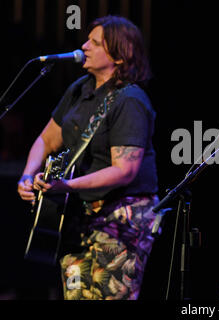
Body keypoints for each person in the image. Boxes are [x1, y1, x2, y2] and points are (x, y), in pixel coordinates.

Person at [17, 15, 159, 300]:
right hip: (76, 218)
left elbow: (124, 170)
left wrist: (67, 186)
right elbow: (46, 140)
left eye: (95, 43)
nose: (84, 46)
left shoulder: (130, 100)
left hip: (120, 219)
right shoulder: (80, 89)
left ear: (120, 55)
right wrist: (27, 175)